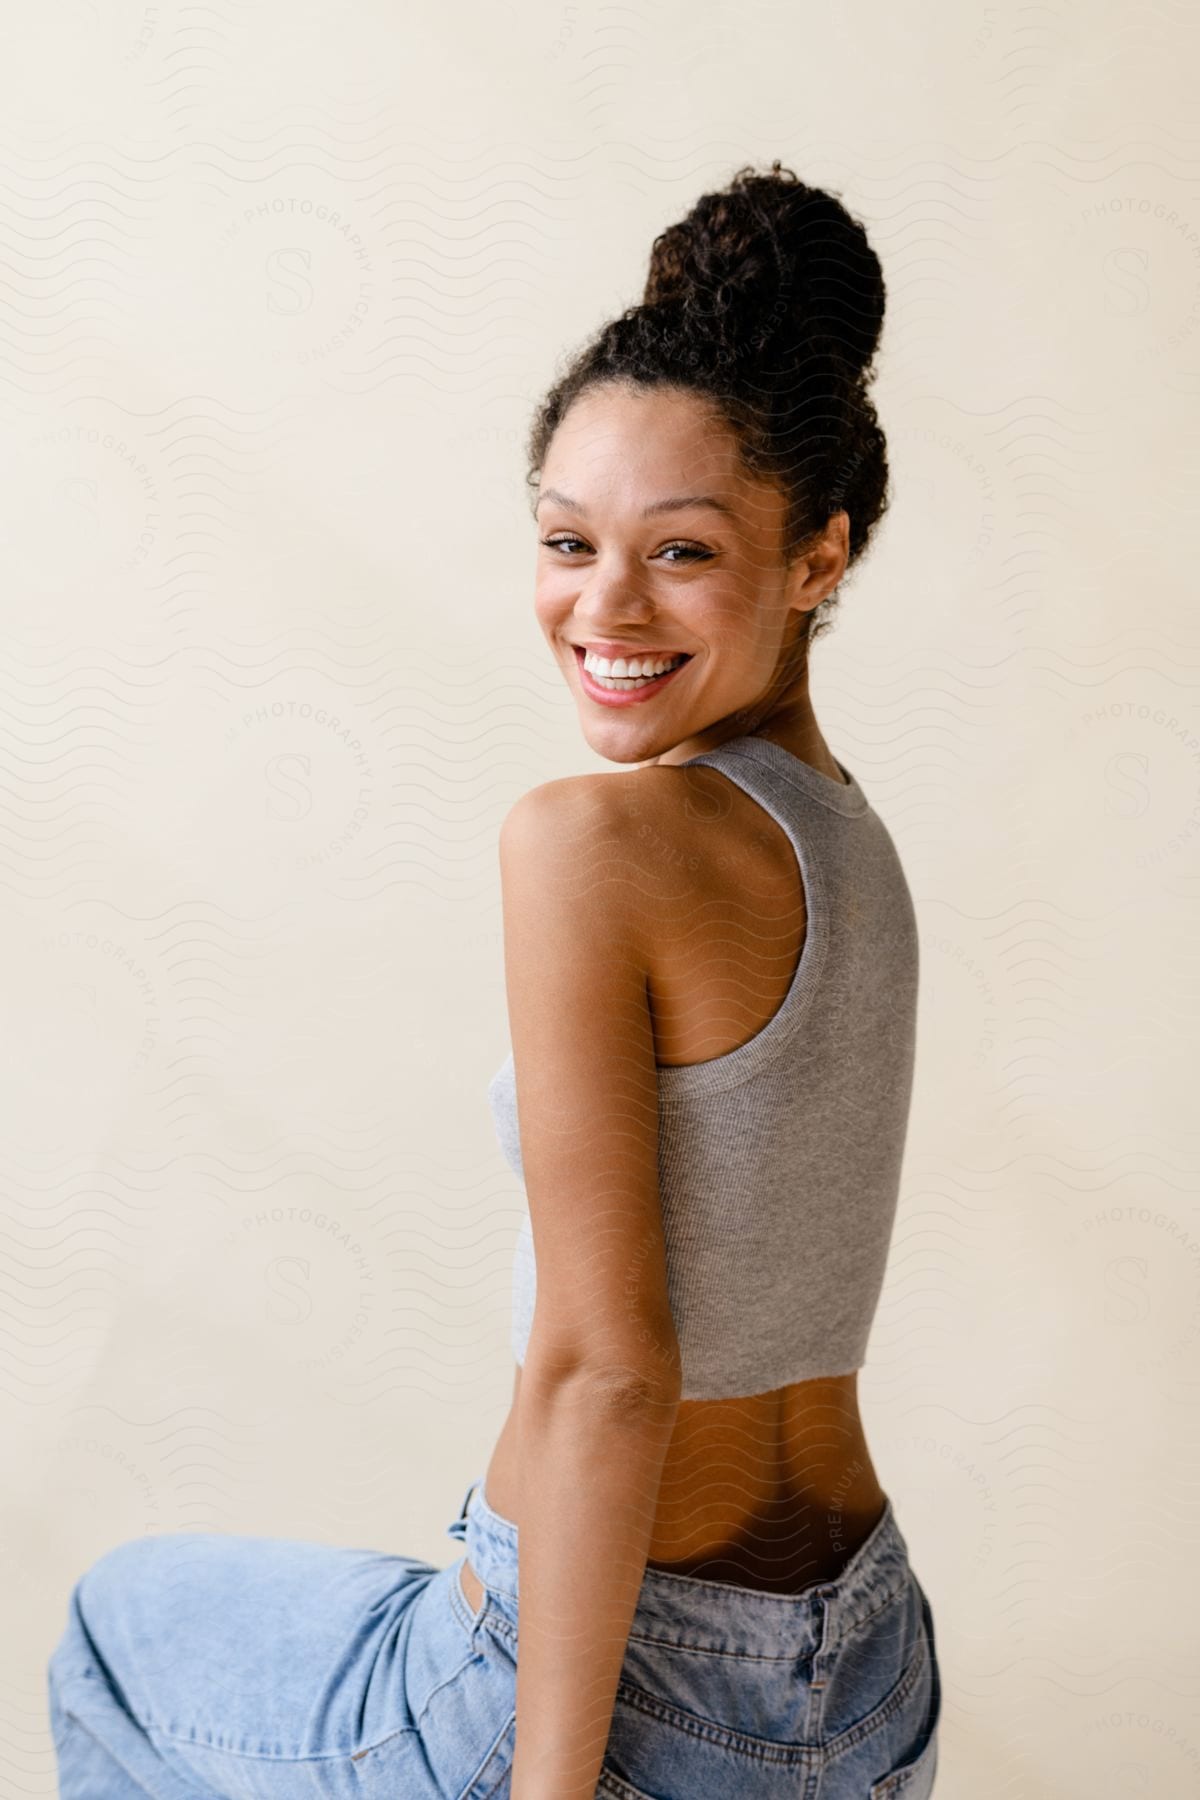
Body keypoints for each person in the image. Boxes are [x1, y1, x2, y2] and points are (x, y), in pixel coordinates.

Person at [46, 161, 942, 1800]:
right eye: (565, 540)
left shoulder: (593, 842)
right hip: (869, 1666)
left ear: (820, 556)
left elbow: (612, 1374)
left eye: (680, 551)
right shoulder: (854, 849)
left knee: (117, 1629)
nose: (603, 606)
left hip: (623, 1677)